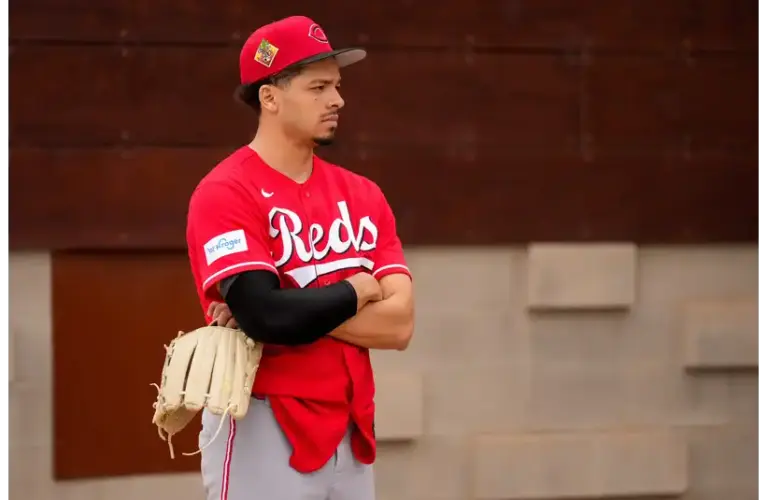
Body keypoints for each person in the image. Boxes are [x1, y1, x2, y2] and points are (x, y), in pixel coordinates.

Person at [185, 15, 415, 500]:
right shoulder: (225, 191)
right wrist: (357, 290)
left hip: (351, 430)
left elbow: (398, 326)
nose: (337, 100)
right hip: (261, 421)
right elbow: (264, 314)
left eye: (336, 85)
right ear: (269, 97)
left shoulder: (363, 194)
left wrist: (289, 306)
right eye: (318, 87)